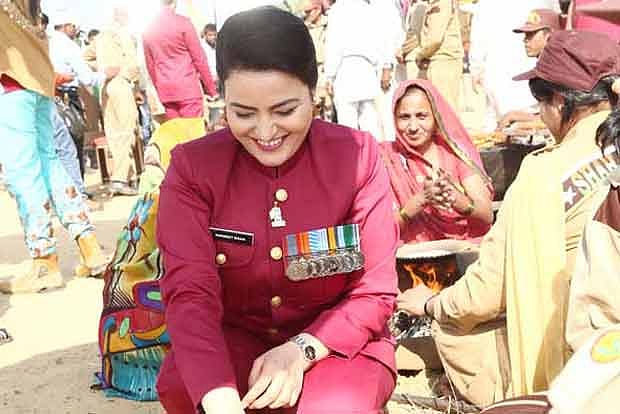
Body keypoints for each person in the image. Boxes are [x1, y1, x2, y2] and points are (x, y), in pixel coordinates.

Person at [155, 7, 398, 414]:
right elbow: (189, 294)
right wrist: (220, 402)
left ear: (314, 93)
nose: (266, 132)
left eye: (285, 111)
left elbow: (374, 291)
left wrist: (302, 349)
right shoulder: (193, 169)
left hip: (334, 343)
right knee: (186, 385)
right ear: (222, 99)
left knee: (336, 407)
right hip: (237, 341)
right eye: (243, 113)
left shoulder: (357, 158)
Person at [396, 30, 620, 408]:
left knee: (458, 327)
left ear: (559, 101)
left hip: (586, 355)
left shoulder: (541, 174)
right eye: (405, 116)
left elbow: (485, 293)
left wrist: (433, 305)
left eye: (539, 101)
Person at [0, 0, 108, 294]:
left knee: (23, 173)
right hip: (37, 84)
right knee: (51, 164)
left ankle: (44, 261)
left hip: (10, 85)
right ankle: (90, 248)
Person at [381, 79, 493, 244]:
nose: (413, 127)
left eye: (422, 116)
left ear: (436, 117)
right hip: (412, 255)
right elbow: (380, 229)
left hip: (465, 249)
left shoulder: (455, 153)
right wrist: (420, 200)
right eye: (404, 117)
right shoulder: (386, 158)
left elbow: (487, 215)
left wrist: (454, 198)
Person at [324, 0, 392, 140]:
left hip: (345, 69)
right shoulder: (370, 9)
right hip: (368, 69)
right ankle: (375, 152)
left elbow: (333, 45)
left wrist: (329, 76)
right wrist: (385, 65)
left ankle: (352, 153)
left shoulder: (337, 10)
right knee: (370, 121)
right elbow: (382, 41)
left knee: (347, 124)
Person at [143, 0, 218, 122]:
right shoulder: (183, 23)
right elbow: (199, 58)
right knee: (193, 131)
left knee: (177, 131)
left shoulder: (148, 28)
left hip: (166, 92)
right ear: (175, 2)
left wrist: (160, 88)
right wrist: (211, 89)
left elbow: (150, 65)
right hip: (188, 89)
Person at [95, 5, 141, 196]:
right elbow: (134, 65)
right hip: (121, 85)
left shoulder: (101, 36)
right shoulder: (124, 34)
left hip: (106, 86)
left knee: (113, 134)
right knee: (126, 132)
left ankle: (125, 176)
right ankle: (120, 179)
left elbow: (85, 57)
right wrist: (135, 85)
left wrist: (102, 69)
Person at [497, 8, 562, 130]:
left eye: (531, 34)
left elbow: (562, 119)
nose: (525, 39)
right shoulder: (547, 65)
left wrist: (521, 125)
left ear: (549, 36)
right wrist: (515, 116)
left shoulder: (561, 69)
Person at [415, 0, 464, 110]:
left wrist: (421, 55)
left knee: (443, 109)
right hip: (443, 60)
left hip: (443, 60)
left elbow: (435, 39)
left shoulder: (441, 3)